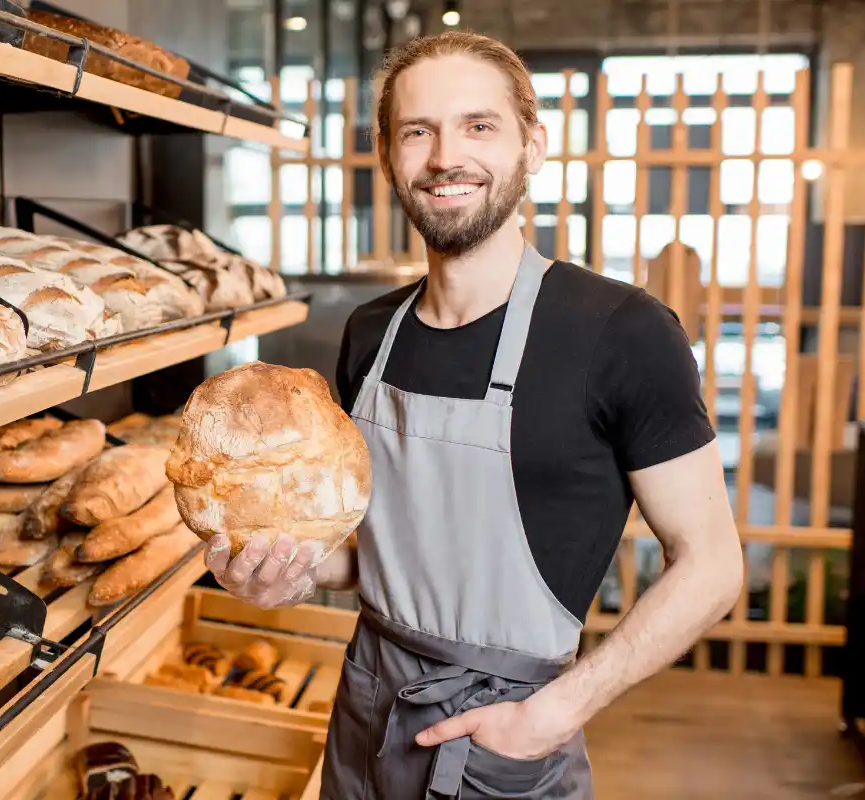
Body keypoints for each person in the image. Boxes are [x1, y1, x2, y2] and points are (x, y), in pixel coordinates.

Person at [203, 30, 743, 799]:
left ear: (534, 144)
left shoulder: (621, 332)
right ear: (390, 156)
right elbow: (377, 553)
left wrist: (553, 715)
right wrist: (281, 577)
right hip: (365, 712)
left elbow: (713, 565)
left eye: (478, 126)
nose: (445, 156)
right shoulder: (369, 334)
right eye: (417, 131)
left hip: (508, 740)